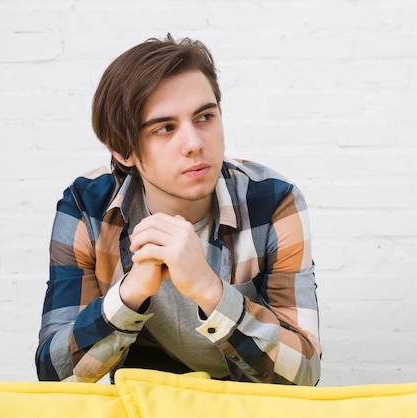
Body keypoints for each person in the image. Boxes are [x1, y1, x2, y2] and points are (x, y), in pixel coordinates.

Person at [35, 34, 321, 386]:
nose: (194, 144)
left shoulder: (273, 202)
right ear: (123, 151)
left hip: (242, 401)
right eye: (165, 128)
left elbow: (305, 374)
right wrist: (129, 294)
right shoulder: (86, 207)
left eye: (204, 117)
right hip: (144, 398)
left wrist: (209, 289)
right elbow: (54, 373)